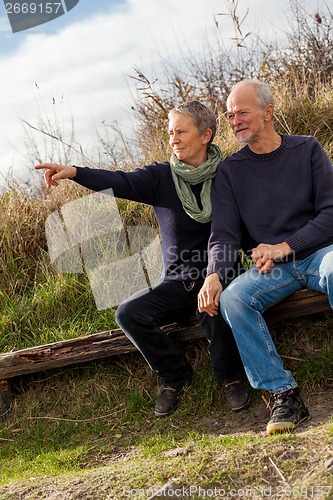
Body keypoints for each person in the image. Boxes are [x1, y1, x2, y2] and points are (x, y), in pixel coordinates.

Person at [35, 100, 250, 418]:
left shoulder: (229, 175)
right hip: (179, 280)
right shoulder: (161, 177)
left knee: (212, 308)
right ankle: (175, 376)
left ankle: (230, 378)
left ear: (205, 135)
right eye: (170, 132)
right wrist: (76, 173)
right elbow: (120, 181)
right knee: (129, 313)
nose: (173, 139)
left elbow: (248, 224)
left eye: (181, 132)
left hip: (221, 274)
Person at [198, 78, 333, 435]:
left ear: (268, 111)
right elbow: (224, 234)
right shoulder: (230, 171)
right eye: (229, 115)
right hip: (275, 270)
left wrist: (285, 246)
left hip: (321, 253)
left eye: (242, 112)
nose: (235, 121)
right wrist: (214, 274)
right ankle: (283, 394)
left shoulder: (307, 149)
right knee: (234, 298)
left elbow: (330, 213)